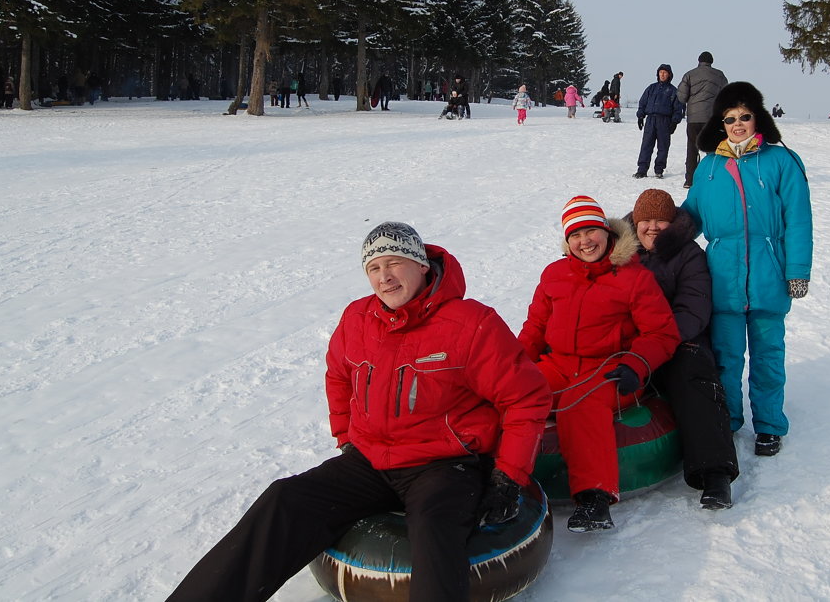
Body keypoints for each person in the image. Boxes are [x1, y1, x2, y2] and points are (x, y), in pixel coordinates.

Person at [167, 223, 551, 602]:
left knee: (436, 531)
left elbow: (526, 397)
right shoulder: (358, 318)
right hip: (370, 460)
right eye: (373, 268)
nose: (384, 277)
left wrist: (508, 477)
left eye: (394, 263)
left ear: (421, 265)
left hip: (444, 464)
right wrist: (347, 438)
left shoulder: (471, 324)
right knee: (284, 498)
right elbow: (338, 377)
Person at [517, 196, 680, 532]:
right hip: (559, 364)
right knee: (516, 395)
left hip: (608, 369)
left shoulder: (634, 277)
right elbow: (534, 328)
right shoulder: (554, 274)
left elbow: (662, 332)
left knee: (582, 407)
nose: (584, 241)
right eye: (576, 235)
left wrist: (636, 364)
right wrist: (514, 368)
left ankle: (594, 499)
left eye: (591, 231)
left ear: (607, 233)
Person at [682, 81, 813, 458]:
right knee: (725, 357)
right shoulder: (709, 168)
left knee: (768, 356)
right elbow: (690, 218)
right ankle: (728, 418)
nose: (737, 124)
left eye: (744, 116)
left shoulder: (781, 161)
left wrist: (798, 270)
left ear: (758, 118)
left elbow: (799, 220)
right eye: (729, 119)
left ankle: (770, 424)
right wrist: (650, 229)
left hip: (770, 277)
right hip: (722, 280)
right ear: (720, 125)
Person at [624, 189, 739, 509]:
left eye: (661, 220)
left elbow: (693, 309)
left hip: (678, 341)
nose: (653, 227)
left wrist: (656, 343)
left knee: (694, 379)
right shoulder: (620, 253)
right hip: (628, 344)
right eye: (645, 220)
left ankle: (715, 473)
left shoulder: (689, 255)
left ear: (672, 222)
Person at [676, 51, 728, 190]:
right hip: (711, 118)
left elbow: (681, 96)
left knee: (692, 148)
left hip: (693, 119)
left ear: (699, 60)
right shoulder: (720, 75)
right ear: (711, 61)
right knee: (712, 149)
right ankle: (714, 177)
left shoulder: (690, 74)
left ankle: (689, 180)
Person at [634, 64, 685, 179]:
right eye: (660, 72)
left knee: (663, 146)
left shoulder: (673, 91)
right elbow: (642, 103)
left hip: (665, 121)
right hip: (651, 120)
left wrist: (674, 122)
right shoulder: (651, 88)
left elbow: (678, 108)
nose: (662, 74)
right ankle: (642, 169)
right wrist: (640, 116)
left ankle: (659, 169)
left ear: (669, 75)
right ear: (658, 74)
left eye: (665, 73)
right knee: (646, 145)